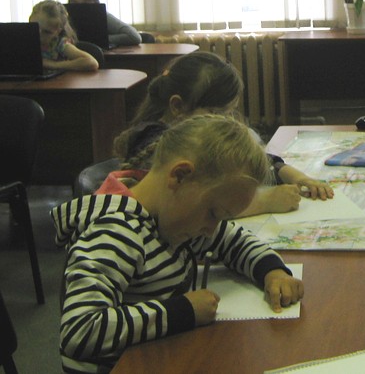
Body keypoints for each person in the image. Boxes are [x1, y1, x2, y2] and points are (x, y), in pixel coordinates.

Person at [52, 114, 303, 372]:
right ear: (180, 176)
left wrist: (272, 271)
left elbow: (233, 240)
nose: (211, 230)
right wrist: (182, 311)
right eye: (213, 213)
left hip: (157, 354)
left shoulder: (172, 219)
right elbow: (79, 331)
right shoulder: (116, 233)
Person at [112, 50, 333, 215]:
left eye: (229, 112)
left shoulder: (199, 136)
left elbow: (255, 162)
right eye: (216, 112)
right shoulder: (157, 147)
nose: (225, 121)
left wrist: (299, 177)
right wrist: (265, 202)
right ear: (178, 106)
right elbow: (188, 207)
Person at [29, 0, 99, 71]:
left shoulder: (60, 44)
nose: (39, 35)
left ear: (58, 31)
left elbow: (92, 62)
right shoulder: (27, 41)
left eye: (47, 32)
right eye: (34, 29)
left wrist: (52, 65)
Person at [67, 0, 142, 46]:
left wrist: (102, 40)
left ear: (96, 2)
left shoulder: (103, 15)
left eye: (86, 3)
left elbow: (134, 36)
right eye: (74, 3)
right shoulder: (64, 16)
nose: (80, 8)